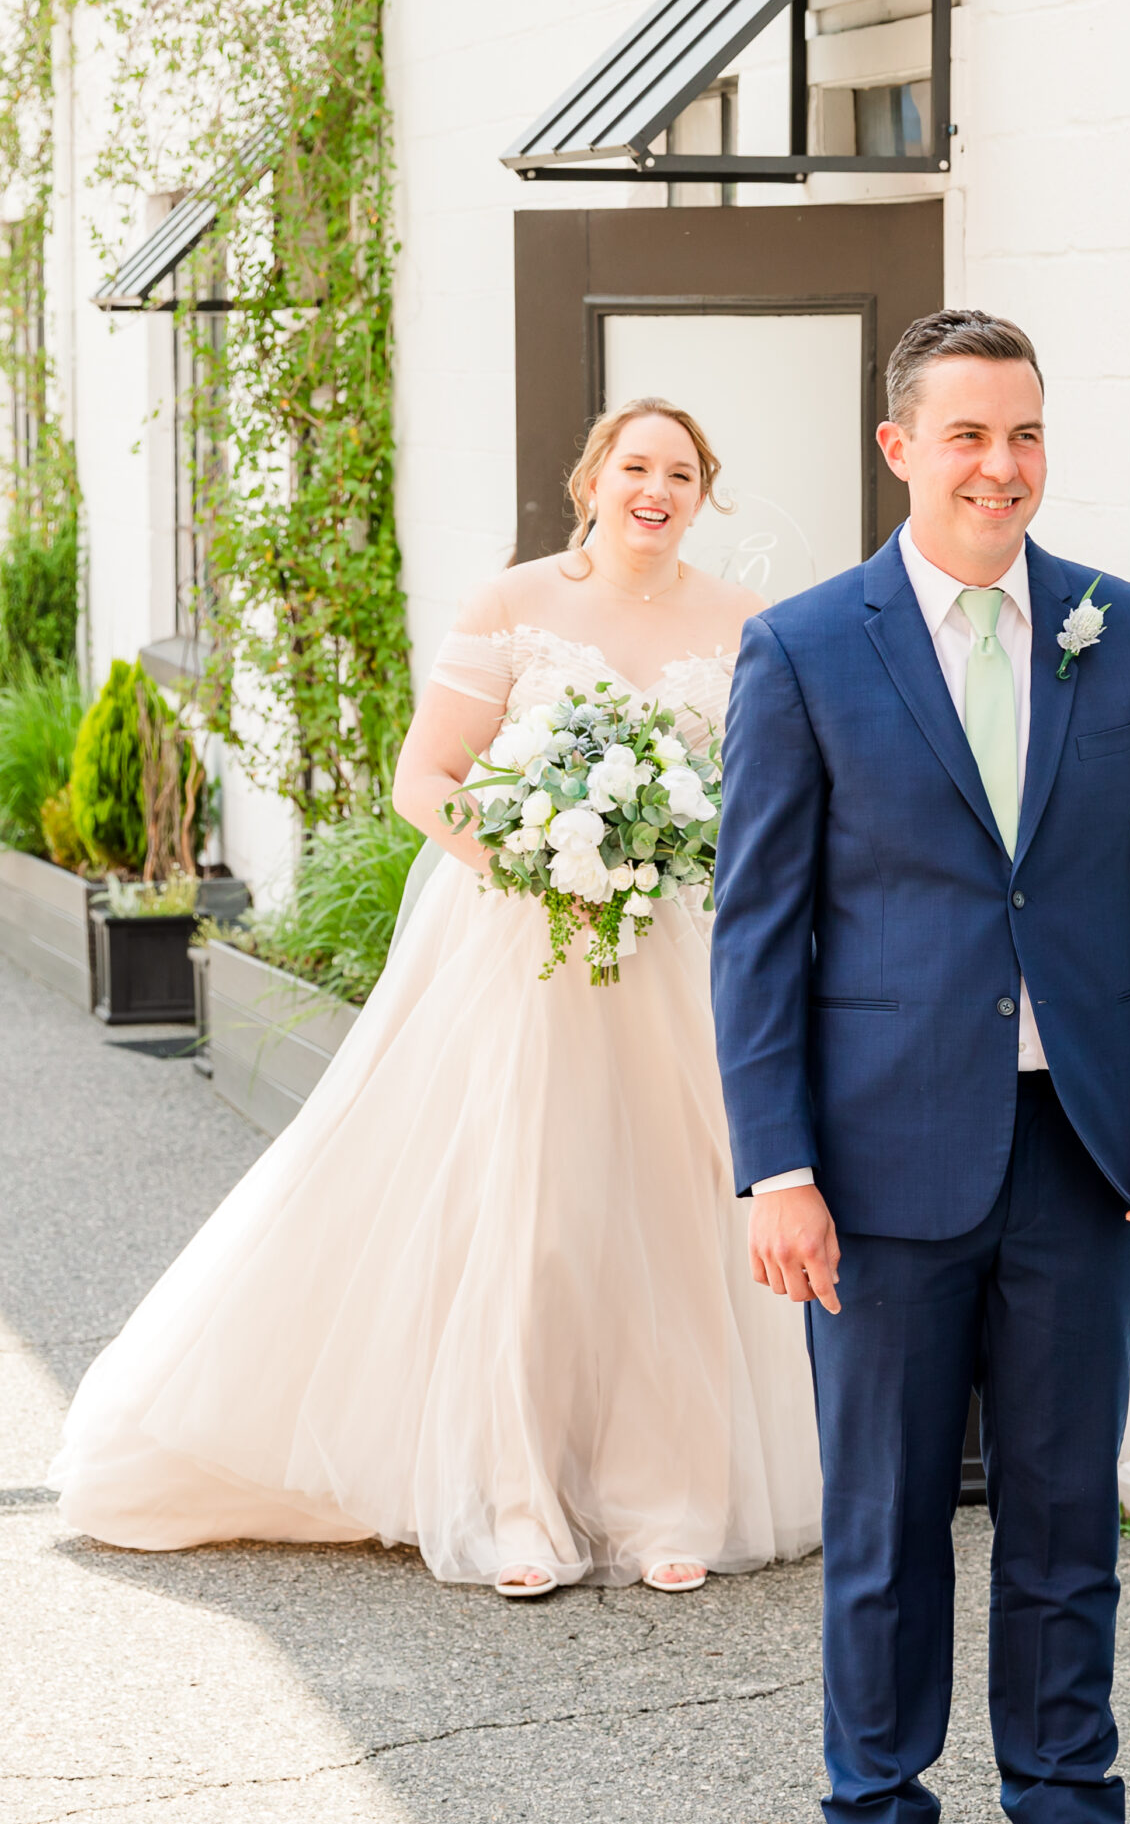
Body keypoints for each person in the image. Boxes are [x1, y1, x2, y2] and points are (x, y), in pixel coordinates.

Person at [52, 398, 820, 1598]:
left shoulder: (748, 624)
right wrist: (536, 855)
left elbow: (761, 799)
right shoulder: (515, 605)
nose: (654, 489)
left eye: (680, 471)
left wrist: (666, 852)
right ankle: (515, 1499)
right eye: (635, 466)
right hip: (525, 953)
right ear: (592, 480)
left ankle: (671, 1496)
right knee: (532, 1220)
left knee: (674, 1216)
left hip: (674, 958)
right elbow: (427, 779)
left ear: (703, 492)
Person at [711, 311, 1130, 1824]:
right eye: (966, 436)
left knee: (1060, 1507)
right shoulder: (806, 648)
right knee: (881, 1521)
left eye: (1023, 435)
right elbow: (758, 932)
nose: (999, 468)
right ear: (899, 450)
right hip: (875, 1166)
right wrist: (774, 1164)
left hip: (1085, 1146)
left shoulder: (1123, 632)